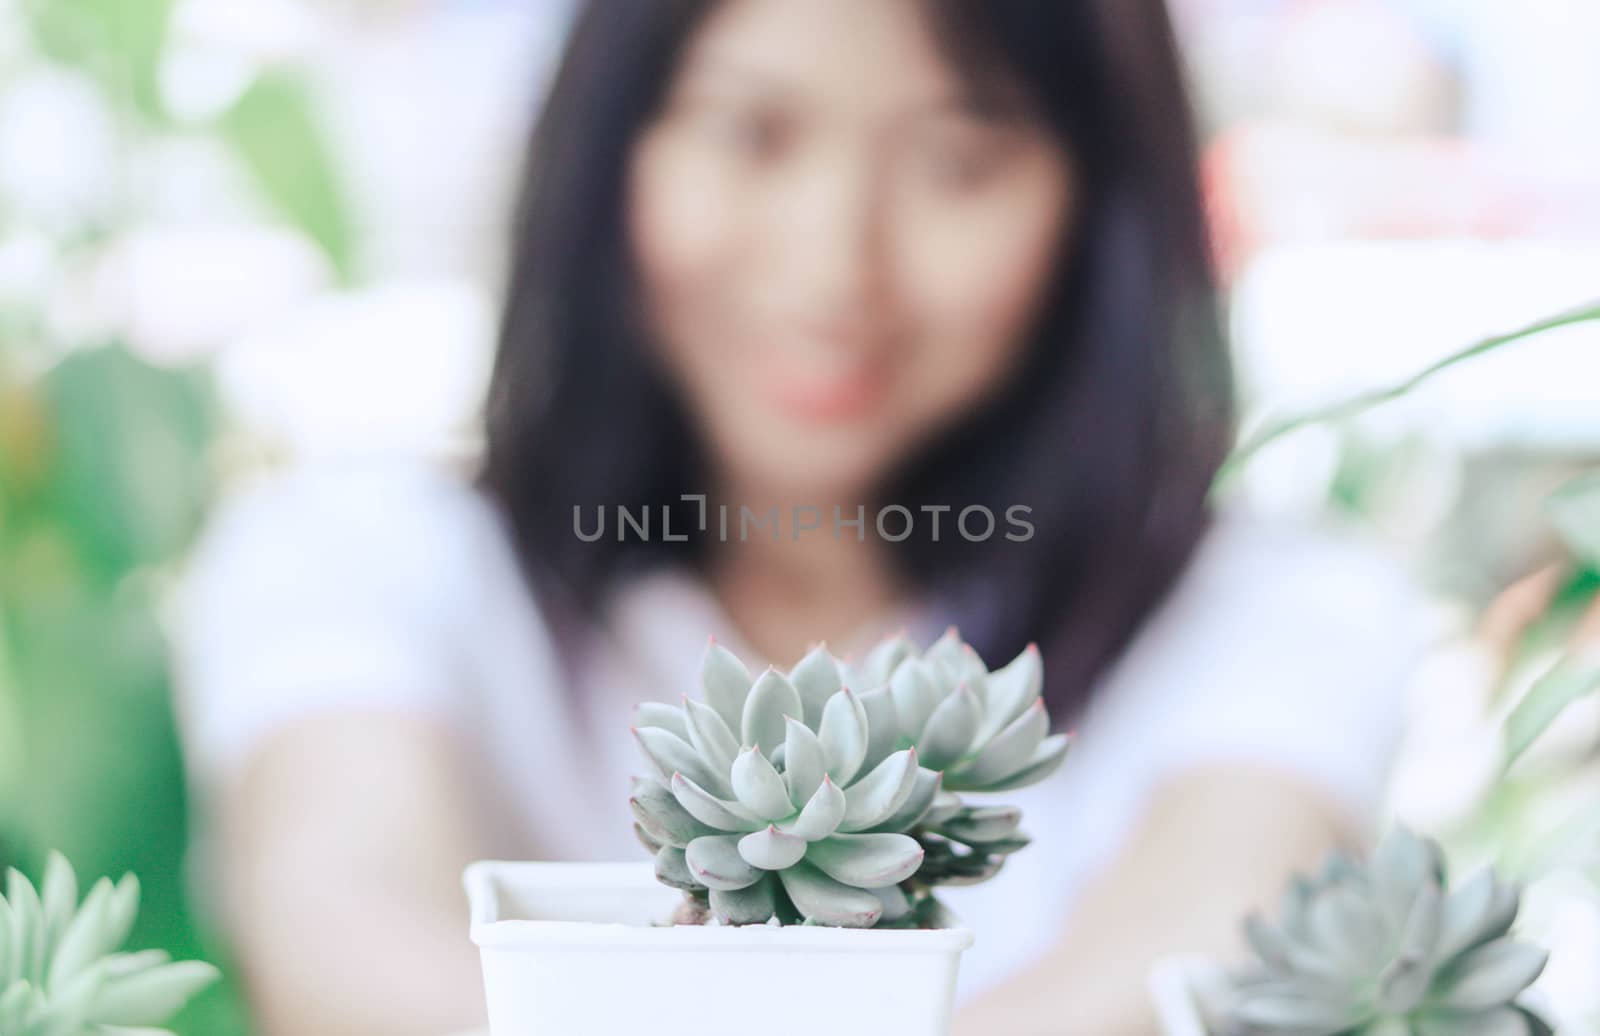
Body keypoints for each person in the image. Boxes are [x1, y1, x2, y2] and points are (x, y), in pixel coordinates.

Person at [172, 1, 1427, 1033]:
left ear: (1096, 197)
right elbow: (338, 915)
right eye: (751, 132)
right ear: (612, 142)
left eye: (958, 158)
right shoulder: (360, 558)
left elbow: (1204, 931)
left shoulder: (1269, 607)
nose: (835, 266)